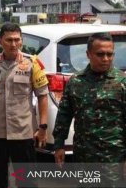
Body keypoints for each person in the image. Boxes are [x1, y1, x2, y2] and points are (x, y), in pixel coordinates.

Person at [0, 22, 49, 188]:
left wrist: (43, 127)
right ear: (1, 41)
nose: (13, 44)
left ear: (21, 41)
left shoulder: (33, 63)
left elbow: (43, 96)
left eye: (17, 40)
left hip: (23, 133)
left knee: (27, 181)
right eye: (9, 40)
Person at [53, 32, 126, 186]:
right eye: (100, 54)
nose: (105, 59)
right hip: (84, 156)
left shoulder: (122, 82)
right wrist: (59, 145)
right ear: (88, 54)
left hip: (113, 159)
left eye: (109, 54)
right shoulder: (76, 82)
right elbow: (64, 114)